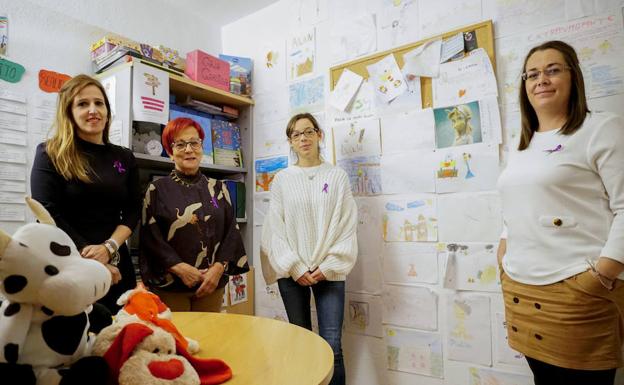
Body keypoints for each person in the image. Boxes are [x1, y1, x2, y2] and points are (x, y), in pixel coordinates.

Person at [497, 40, 624, 385]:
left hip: (577, 291)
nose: (542, 79)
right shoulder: (522, 143)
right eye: (532, 73)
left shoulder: (601, 128)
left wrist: (604, 273)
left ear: (573, 78)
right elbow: (516, 205)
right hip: (523, 288)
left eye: (553, 70)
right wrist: (504, 248)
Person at [260, 113, 358, 385]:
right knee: (300, 344)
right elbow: (274, 231)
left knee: (332, 347)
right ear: (290, 142)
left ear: (319, 135)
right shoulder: (282, 179)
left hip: (329, 273)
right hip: (292, 274)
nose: (302, 138)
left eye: (308, 132)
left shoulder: (337, 177)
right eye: (295, 134)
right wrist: (295, 266)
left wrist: (327, 267)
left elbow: (347, 226)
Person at [30, 74, 141, 313]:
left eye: (99, 103)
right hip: (69, 264)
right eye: (82, 104)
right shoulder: (50, 153)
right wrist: (91, 258)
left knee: (122, 337)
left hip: (118, 265)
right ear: (69, 112)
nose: (93, 110)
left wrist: (109, 248)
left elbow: (133, 209)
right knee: (78, 340)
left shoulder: (124, 157)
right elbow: (46, 212)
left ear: (107, 110)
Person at [139, 117, 248, 312]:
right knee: (177, 339)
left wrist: (217, 269)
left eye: (194, 143)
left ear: (201, 146)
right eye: (180, 144)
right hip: (171, 285)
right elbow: (151, 238)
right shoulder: (157, 189)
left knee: (208, 339)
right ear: (171, 152)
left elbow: (231, 231)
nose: (189, 149)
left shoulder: (219, 188)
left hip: (211, 284)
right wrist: (181, 269)